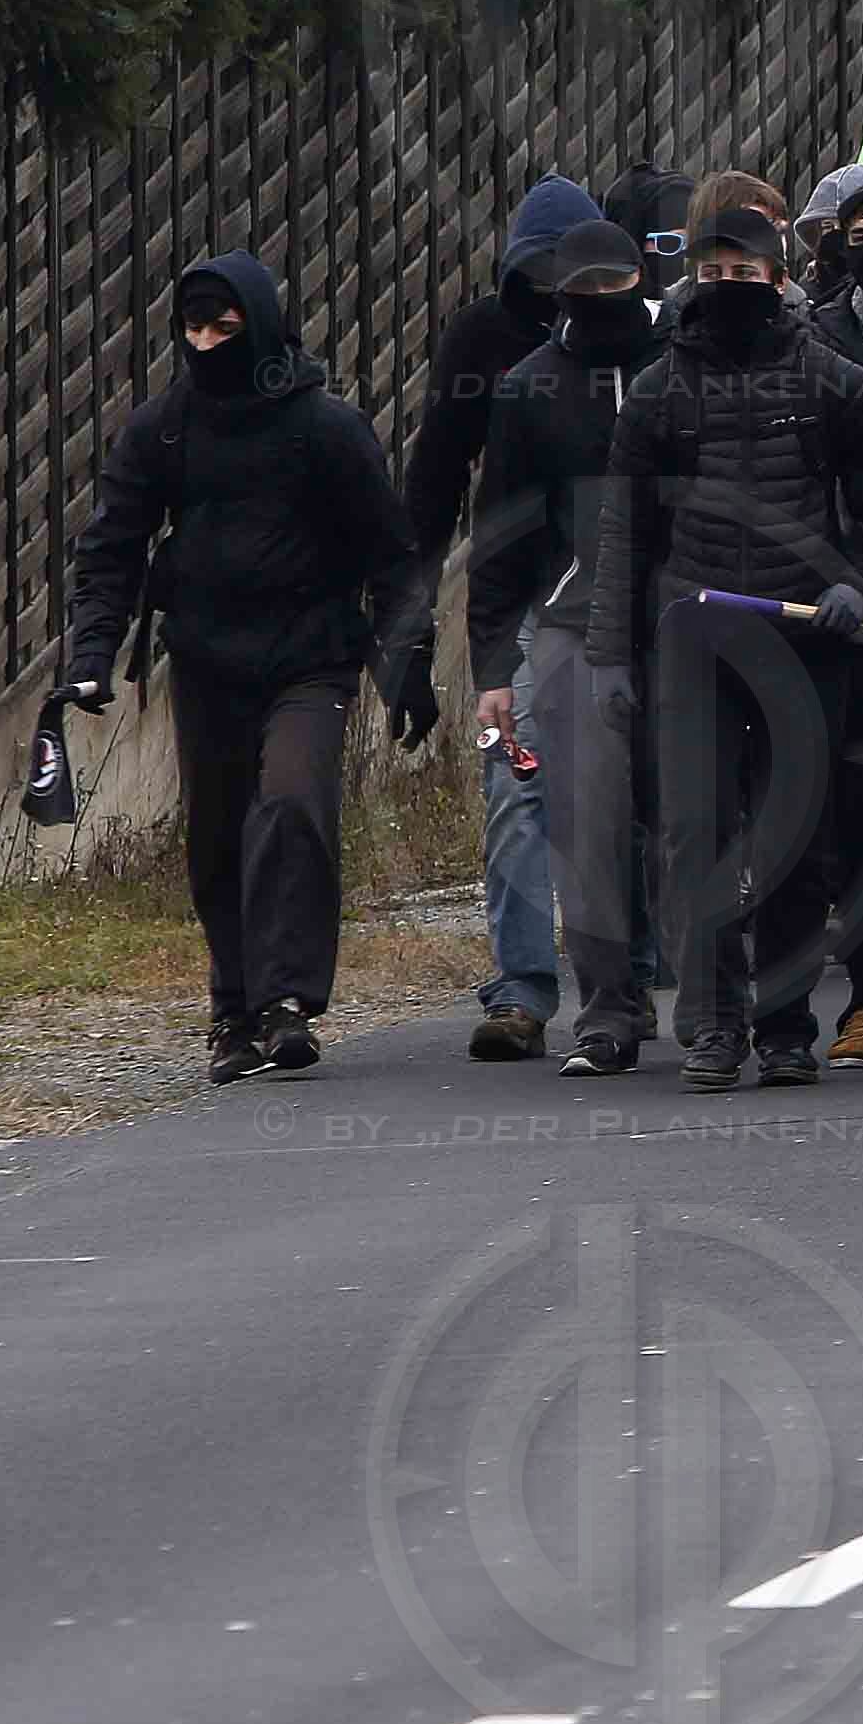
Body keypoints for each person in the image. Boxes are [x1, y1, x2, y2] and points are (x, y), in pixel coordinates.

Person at [592, 187, 863, 1088]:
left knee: (796, 838)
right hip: (695, 646)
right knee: (695, 838)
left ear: (778, 278)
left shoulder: (830, 378)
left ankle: (786, 1026)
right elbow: (624, 535)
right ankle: (714, 1024)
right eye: (711, 273)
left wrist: (857, 589)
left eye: (743, 272)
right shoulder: (659, 393)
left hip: (802, 641)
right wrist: (610, 656)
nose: (727, 285)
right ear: (689, 280)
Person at [62, 253, 414, 1081]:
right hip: (206, 658)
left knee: (291, 804)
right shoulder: (165, 429)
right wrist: (91, 654)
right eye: (195, 327)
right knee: (218, 835)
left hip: (312, 657)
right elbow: (110, 547)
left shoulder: (325, 427)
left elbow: (390, 551)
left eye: (226, 327)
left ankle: (287, 1000)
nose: (209, 342)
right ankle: (234, 1008)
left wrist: (409, 662)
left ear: (260, 325)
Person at [393, 172, 607, 1061]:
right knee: (516, 790)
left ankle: (627, 966)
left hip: (626, 601)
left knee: (622, 794)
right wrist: (406, 634)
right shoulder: (483, 344)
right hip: (521, 605)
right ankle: (521, 988)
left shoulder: (644, 340)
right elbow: (436, 482)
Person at [466, 220, 668, 1071]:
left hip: (674, 619)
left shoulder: (680, 373)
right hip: (561, 625)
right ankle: (556, 997)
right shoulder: (529, 390)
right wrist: (492, 666)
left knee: (667, 811)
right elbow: (501, 530)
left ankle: (672, 977)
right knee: (549, 803)